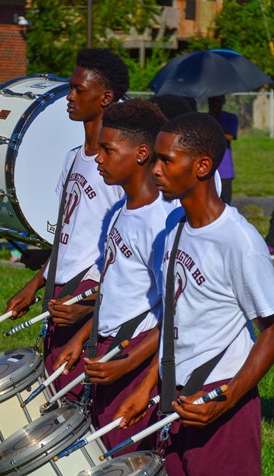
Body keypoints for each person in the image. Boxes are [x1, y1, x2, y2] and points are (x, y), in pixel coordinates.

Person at [113, 112, 274, 475]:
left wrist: (226, 399)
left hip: (219, 398)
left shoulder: (239, 241)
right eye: (154, 158)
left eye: (166, 160)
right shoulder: (175, 228)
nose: (155, 169)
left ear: (202, 166)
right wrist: (147, 387)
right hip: (175, 395)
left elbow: (271, 330)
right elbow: (176, 322)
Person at [51, 98, 174, 454]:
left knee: (126, 459)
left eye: (107, 149)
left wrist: (131, 364)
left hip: (134, 358)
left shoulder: (163, 222)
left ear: (140, 153)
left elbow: (174, 312)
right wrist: (84, 337)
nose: (98, 158)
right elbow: (113, 287)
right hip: (104, 352)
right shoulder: (121, 210)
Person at [5, 48, 130, 392]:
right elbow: (66, 235)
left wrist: (89, 303)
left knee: (77, 399)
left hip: (91, 294)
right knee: (53, 393)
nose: (69, 97)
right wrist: (36, 284)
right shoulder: (73, 158)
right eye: (70, 88)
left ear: (106, 98)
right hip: (58, 293)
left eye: (78, 90)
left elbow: (126, 249)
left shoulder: (118, 170)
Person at [208, 95, 238, 204]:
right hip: (208, 166)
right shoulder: (204, 118)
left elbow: (230, 136)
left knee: (225, 202)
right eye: (212, 101)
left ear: (223, 101)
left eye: (218, 101)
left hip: (225, 168)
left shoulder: (230, 117)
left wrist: (214, 123)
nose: (215, 104)